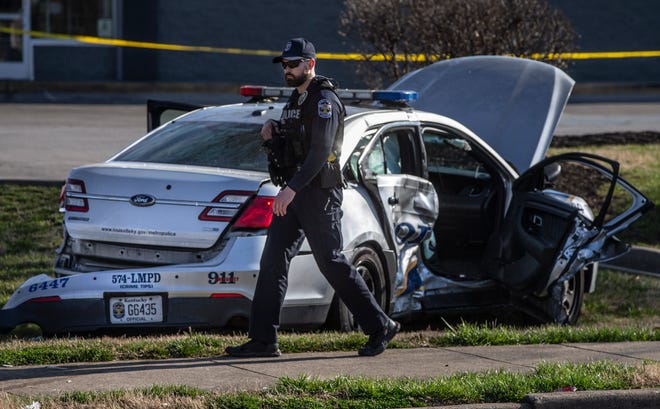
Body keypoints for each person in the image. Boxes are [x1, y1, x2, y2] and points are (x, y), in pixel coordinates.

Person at [225, 38, 399, 358]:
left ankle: (380, 325)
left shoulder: (324, 101)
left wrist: (290, 191)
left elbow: (321, 152)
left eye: (294, 64)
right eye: (285, 65)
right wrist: (274, 129)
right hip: (295, 192)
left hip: (318, 193)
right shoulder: (297, 100)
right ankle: (264, 340)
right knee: (273, 261)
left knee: (331, 261)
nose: (288, 70)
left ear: (310, 64)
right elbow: (298, 142)